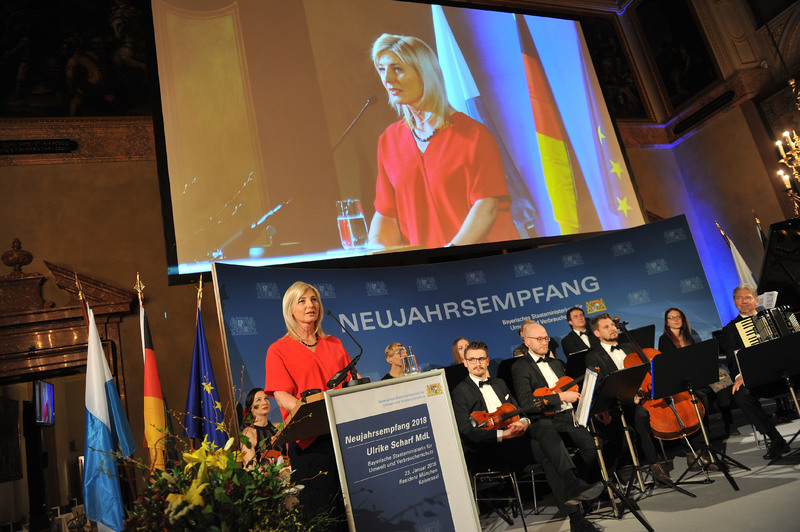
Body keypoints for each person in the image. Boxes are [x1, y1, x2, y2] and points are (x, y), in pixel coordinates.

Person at [367, 34, 518, 250]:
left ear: (424, 74)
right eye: (382, 69)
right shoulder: (389, 140)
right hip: (427, 271)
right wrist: (378, 251)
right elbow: (386, 214)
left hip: (483, 261)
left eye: (397, 69)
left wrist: (451, 253)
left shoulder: (473, 135)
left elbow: (486, 206)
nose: (387, 79)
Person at [451, 341, 602, 532]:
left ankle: (575, 515)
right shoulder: (460, 391)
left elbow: (521, 410)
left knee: (545, 432)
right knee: (547, 451)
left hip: (515, 441)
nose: (477, 363)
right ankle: (574, 495)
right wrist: (503, 434)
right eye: (472, 360)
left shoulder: (499, 383)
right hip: (490, 447)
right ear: (465, 363)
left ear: (488, 360)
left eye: (481, 359)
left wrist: (524, 422)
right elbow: (467, 431)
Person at [264, 281, 351, 529]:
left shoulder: (334, 343)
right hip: (309, 440)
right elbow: (281, 395)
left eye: (314, 299)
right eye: (302, 301)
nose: (310, 305)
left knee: (355, 507)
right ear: (290, 309)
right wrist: (315, 413)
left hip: (344, 434)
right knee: (324, 514)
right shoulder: (278, 349)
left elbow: (350, 383)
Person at [585, 313, 671, 483]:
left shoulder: (629, 347)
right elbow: (600, 386)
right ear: (597, 334)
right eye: (606, 327)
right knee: (640, 415)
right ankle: (655, 465)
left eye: (612, 325)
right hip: (620, 404)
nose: (612, 328)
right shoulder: (593, 357)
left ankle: (694, 452)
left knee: (674, 402)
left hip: (644, 395)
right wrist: (630, 396)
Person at [512, 320, 598, 479]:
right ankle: (579, 485)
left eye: (546, 338)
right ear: (527, 341)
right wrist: (560, 397)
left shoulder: (556, 363)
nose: (544, 342)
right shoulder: (520, 366)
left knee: (599, 442)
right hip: (550, 419)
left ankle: (586, 483)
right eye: (539, 339)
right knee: (588, 445)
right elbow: (527, 402)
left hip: (572, 415)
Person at [718, 284, 791, 460]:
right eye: (739, 298)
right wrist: (739, 376)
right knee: (741, 396)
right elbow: (731, 358)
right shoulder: (729, 329)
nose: (743, 301)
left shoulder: (773, 318)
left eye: (748, 297)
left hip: (785, 373)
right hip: (758, 379)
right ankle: (776, 439)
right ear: (734, 302)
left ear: (756, 301)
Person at [659, 307, 737, 437]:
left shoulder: (691, 334)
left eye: (678, 317)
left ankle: (729, 423)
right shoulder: (664, 340)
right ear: (667, 322)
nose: (676, 320)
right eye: (671, 318)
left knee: (723, 380)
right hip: (683, 380)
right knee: (704, 393)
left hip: (698, 373)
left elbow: (701, 357)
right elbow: (671, 366)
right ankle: (704, 431)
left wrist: (715, 370)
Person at [240, 388, 282, 467]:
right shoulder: (248, 433)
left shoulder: (279, 426)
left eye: (266, 398)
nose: (264, 402)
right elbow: (250, 469)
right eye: (258, 400)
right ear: (251, 408)